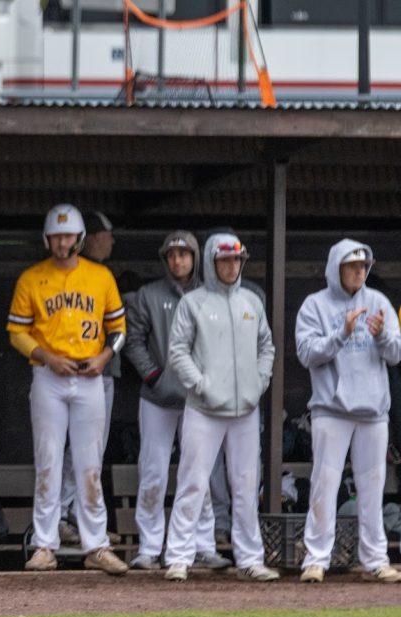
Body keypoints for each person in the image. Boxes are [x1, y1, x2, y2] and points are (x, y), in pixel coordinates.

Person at [7, 203, 129, 575]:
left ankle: (97, 545)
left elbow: (119, 328)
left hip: (90, 375)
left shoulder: (101, 276)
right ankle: (45, 545)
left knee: (90, 463)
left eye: (68, 236)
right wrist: (45, 356)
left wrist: (106, 356)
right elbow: (16, 332)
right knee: (48, 461)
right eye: (57, 236)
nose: (63, 243)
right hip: (49, 376)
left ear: (79, 238)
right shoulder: (31, 278)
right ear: (48, 238)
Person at [163, 233, 278, 582]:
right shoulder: (193, 302)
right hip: (204, 408)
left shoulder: (251, 302)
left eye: (237, 260)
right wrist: (201, 386)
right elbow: (177, 351)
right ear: (212, 261)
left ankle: (250, 558)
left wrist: (259, 384)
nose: (232, 266)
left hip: (245, 410)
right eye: (225, 260)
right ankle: (179, 557)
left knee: (246, 484)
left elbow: (267, 347)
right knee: (193, 482)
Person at [123, 232, 232, 571]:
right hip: (157, 397)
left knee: (199, 473)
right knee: (153, 472)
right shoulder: (148, 295)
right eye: (171, 255)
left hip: (197, 399)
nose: (177, 261)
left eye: (184, 254)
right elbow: (134, 340)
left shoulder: (210, 294)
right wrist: (153, 375)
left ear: (195, 258)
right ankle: (149, 547)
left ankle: (203, 544)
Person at [295, 240, 401, 583]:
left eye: (362, 266)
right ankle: (316, 559)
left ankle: (376, 559)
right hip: (332, 409)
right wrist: (341, 333)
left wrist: (383, 335)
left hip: (373, 411)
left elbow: (396, 354)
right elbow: (306, 354)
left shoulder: (378, 302)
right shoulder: (315, 305)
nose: (358, 271)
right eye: (351, 265)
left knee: (373, 487)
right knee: (324, 484)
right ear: (336, 267)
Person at [58, 210, 118, 546]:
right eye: (106, 234)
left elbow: (118, 328)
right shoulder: (67, 276)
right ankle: (65, 515)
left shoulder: (102, 276)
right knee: (71, 448)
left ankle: (82, 518)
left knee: (92, 448)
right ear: (91, 237)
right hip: (67, 373)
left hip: (101, 372)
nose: (110, 241)